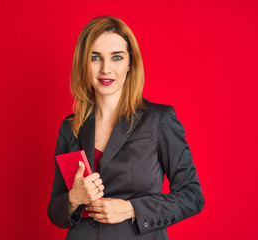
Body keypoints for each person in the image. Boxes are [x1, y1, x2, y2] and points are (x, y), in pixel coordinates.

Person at [47, 15, 205, 240]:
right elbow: (55, 213)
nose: (105, 69)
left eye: (117, 57)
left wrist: (131, 209)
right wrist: (74, 198)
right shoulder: (71, 126)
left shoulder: (159, 120)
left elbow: (193, 196)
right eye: (95, 58)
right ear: (83, 62)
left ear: (130, 63)